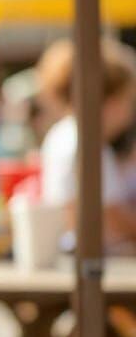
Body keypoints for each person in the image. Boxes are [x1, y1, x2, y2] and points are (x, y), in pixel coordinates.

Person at [37, 36, 136, 251]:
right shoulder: (86, 141)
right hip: (87, 256)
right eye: (128, 98)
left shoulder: (66, 133)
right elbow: (112, 214)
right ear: (110, 102)